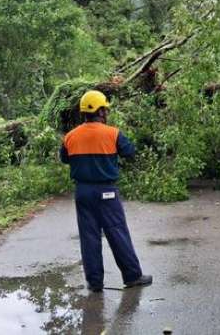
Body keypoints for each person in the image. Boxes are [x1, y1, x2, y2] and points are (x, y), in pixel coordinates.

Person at [60, 90, 152, 291]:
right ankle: (132, 276)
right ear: (100, 111)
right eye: (105, 109)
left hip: (82, 192)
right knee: (117, 232)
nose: (106, 113)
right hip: (106, 192)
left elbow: (64, 158)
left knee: (89, 237)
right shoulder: (113, 133)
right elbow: (129, 152)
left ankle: (94, 283)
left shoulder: (70, 137)